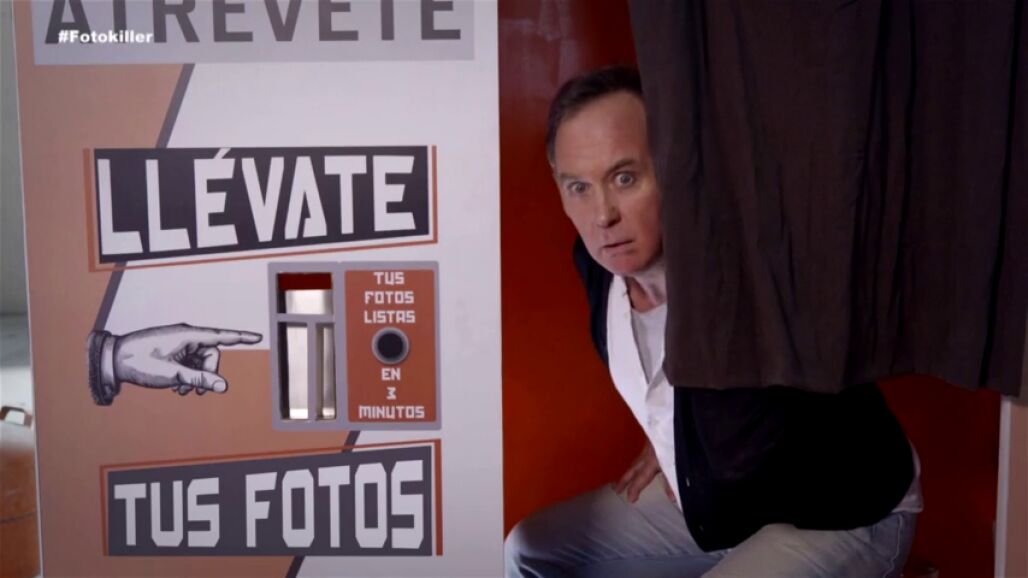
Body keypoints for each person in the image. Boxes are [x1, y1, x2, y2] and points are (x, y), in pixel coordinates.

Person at [504, 66, 922, 578]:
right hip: (718, 505)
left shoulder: (750, 271)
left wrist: (700, 439)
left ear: (673, 167)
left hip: (844, 511)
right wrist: (671, 432)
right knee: (530, 550)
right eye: (579, 187)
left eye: (625, 178)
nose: (603, 215)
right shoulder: (596, 266)